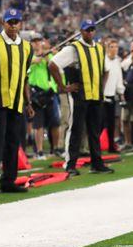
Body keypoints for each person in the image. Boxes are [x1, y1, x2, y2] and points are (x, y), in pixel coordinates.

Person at [0, 8, 35, 194]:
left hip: (17, 102)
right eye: (9, 22)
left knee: (13, 141)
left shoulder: (27, 47)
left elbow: (24, 77)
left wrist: (28, 102)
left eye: (16, 22)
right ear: (3, 23)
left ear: (20, 24)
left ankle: (8, 180)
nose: (13, 25)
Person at [49, 19, 114, 175]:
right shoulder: (73, 48)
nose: (90, 32)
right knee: (76, 129)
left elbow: (106, 69)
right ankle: (70, 164)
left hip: (95, 95)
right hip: (79, 95)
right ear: (81, 31)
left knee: (94, 131)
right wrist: (63, 86)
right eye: (87, 30)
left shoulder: (99, 48)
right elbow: (52, 64)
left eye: (92, 30)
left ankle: (97, 163)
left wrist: (101, 87)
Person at [27, 35, 60, 159]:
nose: (37, 44)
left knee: (55, 122)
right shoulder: (28, 56)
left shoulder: (48, 55)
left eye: (38, 41)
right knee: (38, 125)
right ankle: (39, 151)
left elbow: (53, 63)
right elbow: (35, 61)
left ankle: (55, 148)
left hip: (49, 92)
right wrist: (43, 54)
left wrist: (49, 53)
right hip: (36, 93)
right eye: (34, 42)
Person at [103, 39, 125, 153]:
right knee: (100, 123)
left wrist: (121, 92)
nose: (114, 49)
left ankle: (111, 145)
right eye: (111, 46)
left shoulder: (117, 61)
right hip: (102, 96)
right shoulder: (103, 61)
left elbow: (119, 78)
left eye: (116, 47)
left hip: (112, 95)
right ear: (107, 48)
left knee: (111, 123)